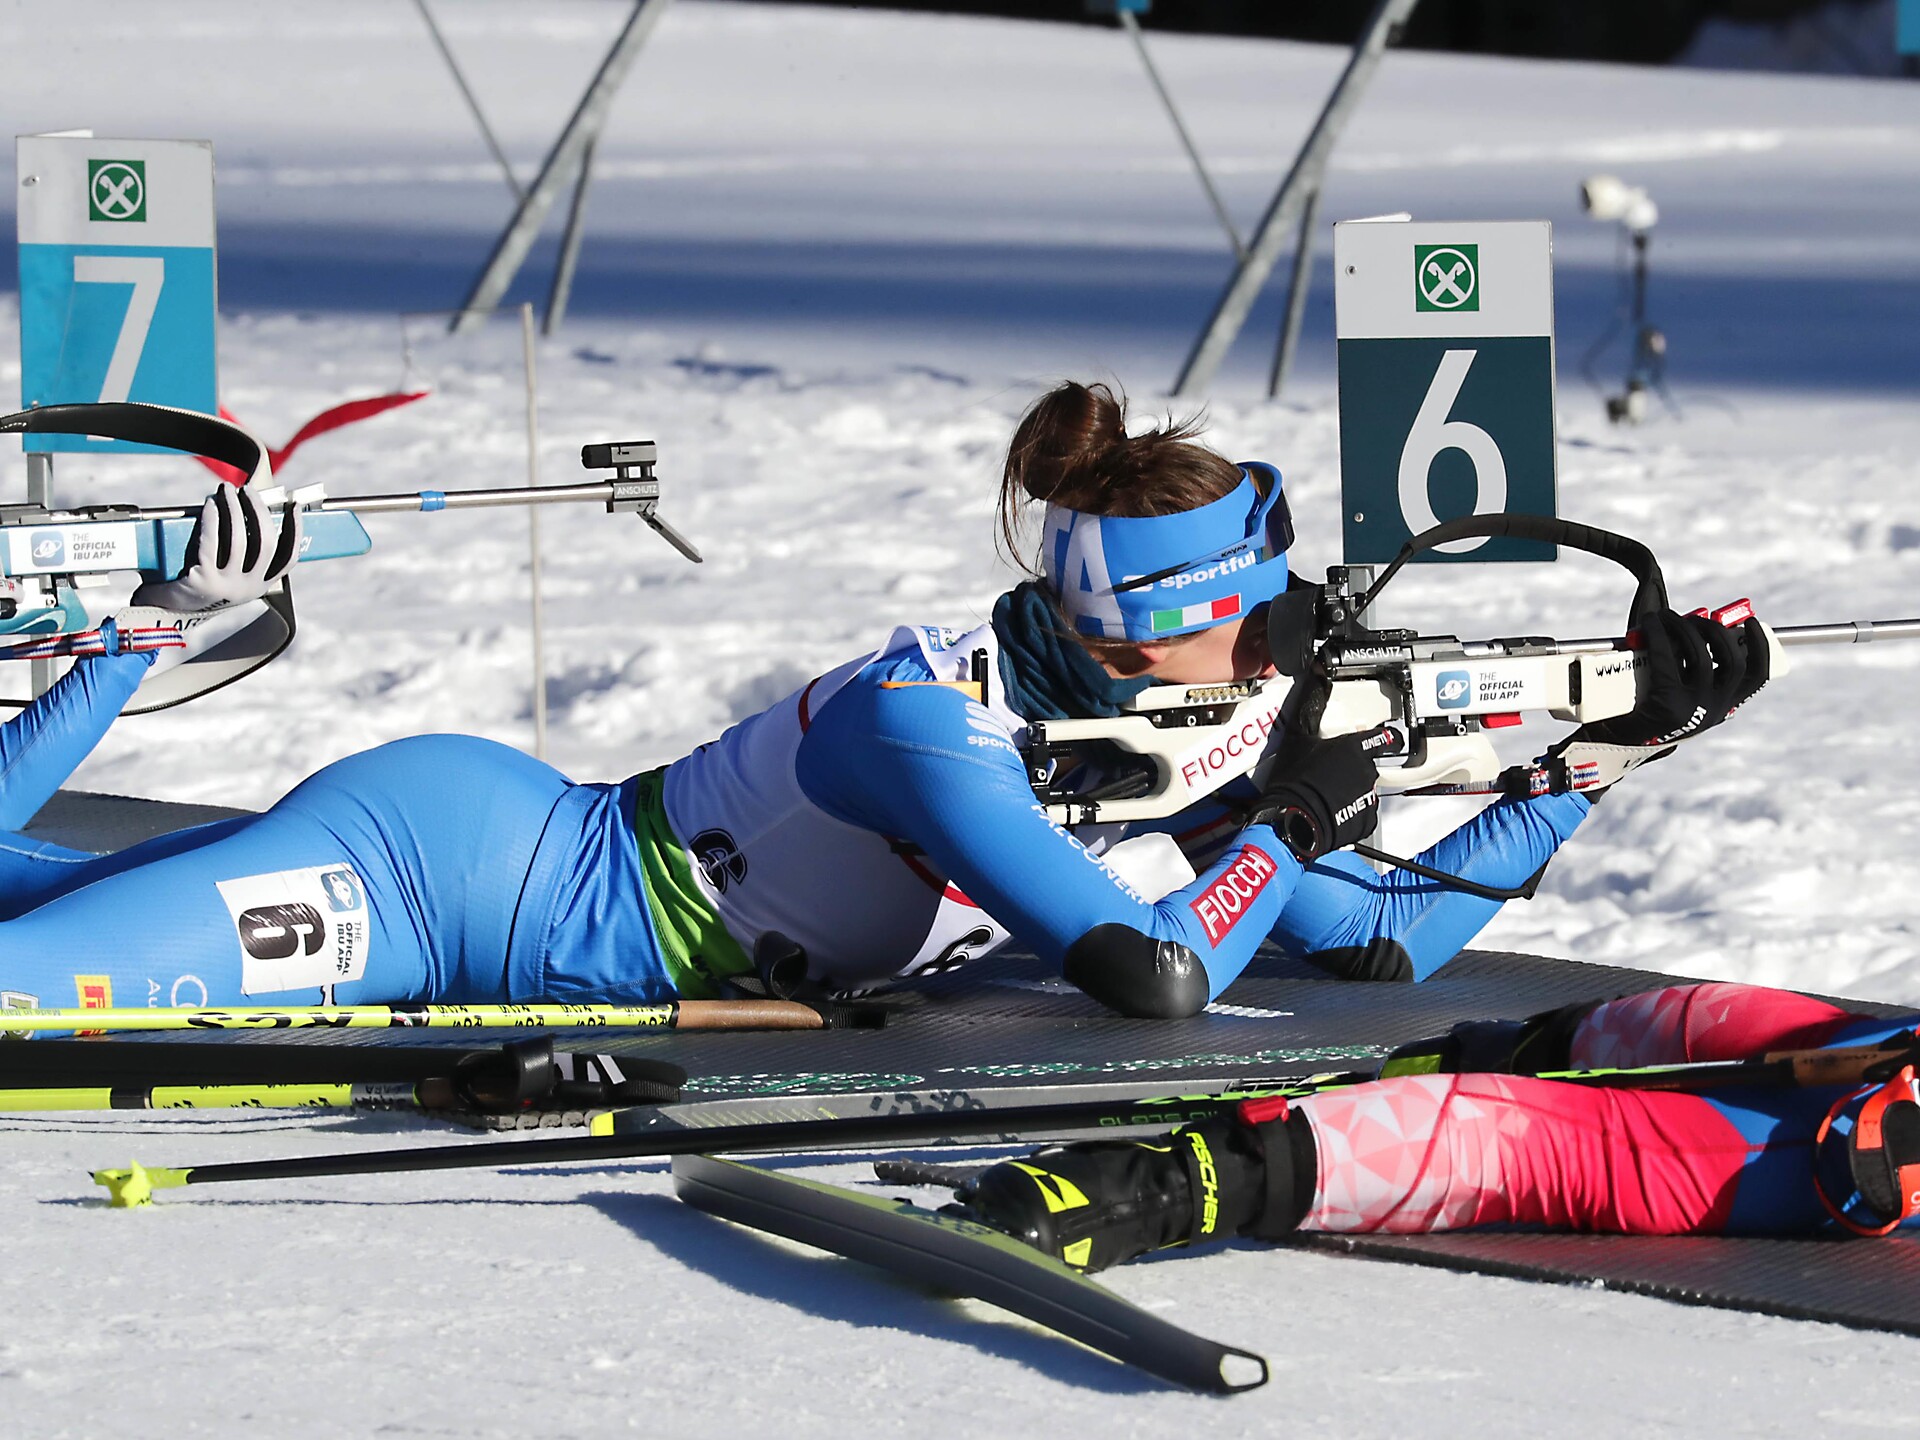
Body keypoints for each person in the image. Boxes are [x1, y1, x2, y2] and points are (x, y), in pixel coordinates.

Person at [0, 381, 1766, 1024]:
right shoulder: (926, 726)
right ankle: (138, 637)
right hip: (435, 885)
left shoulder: (1165, 722)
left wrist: (1597, 761)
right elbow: (1150, 974)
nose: (1284, 659)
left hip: (498, 899)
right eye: (1260, 632)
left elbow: (1381, 948)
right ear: (1161, 632)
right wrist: (1283, 810)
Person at [951, 979, 1920, 1255]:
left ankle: (1164, 1192)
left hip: (1861, 1154)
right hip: (1880, 1049)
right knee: (1707, 1022)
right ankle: (1457, 1058)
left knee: (1518, 1140)